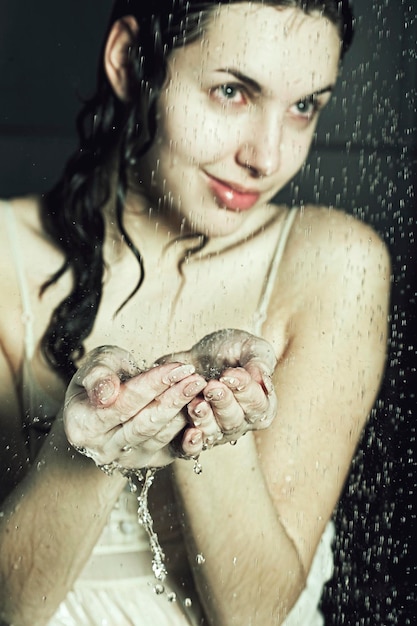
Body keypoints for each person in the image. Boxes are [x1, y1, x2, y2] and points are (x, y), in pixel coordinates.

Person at [0, 0, 391, 624]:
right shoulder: (5, 260)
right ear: (131, 62)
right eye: (233, 91)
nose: (267, 156)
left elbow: (255, 613)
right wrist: (92, 453)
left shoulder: (335, 263)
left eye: (304, 106)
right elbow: (12, 606)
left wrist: (213, 423)